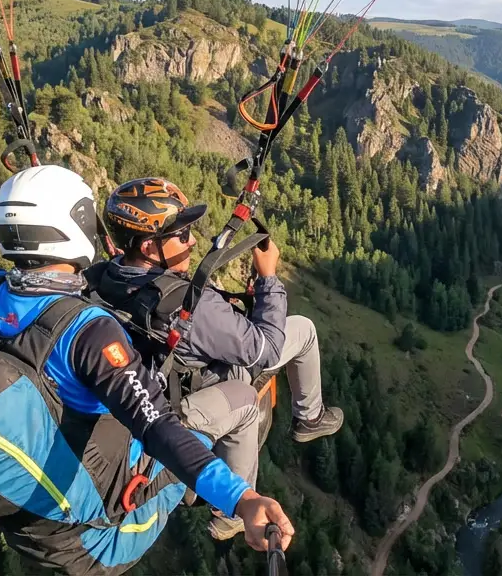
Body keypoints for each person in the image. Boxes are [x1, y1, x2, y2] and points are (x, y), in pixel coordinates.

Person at [0, 115, 294, 575]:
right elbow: (157, 427)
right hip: (107, 537)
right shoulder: (86, 333)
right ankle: (209, 503)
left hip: (41, 531)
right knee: (243, 400)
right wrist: (242, 499)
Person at [84, 177, 344, 535]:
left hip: (159, 384)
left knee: (300, 329)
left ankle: (310, 418)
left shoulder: (106, 275)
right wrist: (269, 280)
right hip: (176, 407)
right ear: (147, 246)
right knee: (248, 398)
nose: (192, 241)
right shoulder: (183, 305)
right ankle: (233, 514)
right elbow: (263, 351)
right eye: (181, 235)